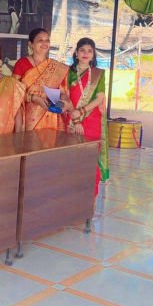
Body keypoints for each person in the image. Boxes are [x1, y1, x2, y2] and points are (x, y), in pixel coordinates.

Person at [65, 38, 109, 196]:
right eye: (82, 50)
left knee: (90, 157)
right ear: (76, 53)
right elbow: (63, 97)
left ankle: (90, 198)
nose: (86, 53)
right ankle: (71, 196)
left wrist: (82, 111)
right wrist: (75, 118)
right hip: (70, 119)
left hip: (92, 120)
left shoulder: (99, 73)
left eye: (90, 51)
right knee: (71, 157)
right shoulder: (67, 72)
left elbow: (99, 98)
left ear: (93, 54)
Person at [13, 28, 72, 132]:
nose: (44, 43)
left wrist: (63, 100)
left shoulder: (57, 67)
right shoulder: (22, 63)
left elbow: (62, 92)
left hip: (52, 115)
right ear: (31, 44)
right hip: (29, 117)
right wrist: (33, 98)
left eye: (47, 40)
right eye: (40, 40)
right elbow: (14, 91)